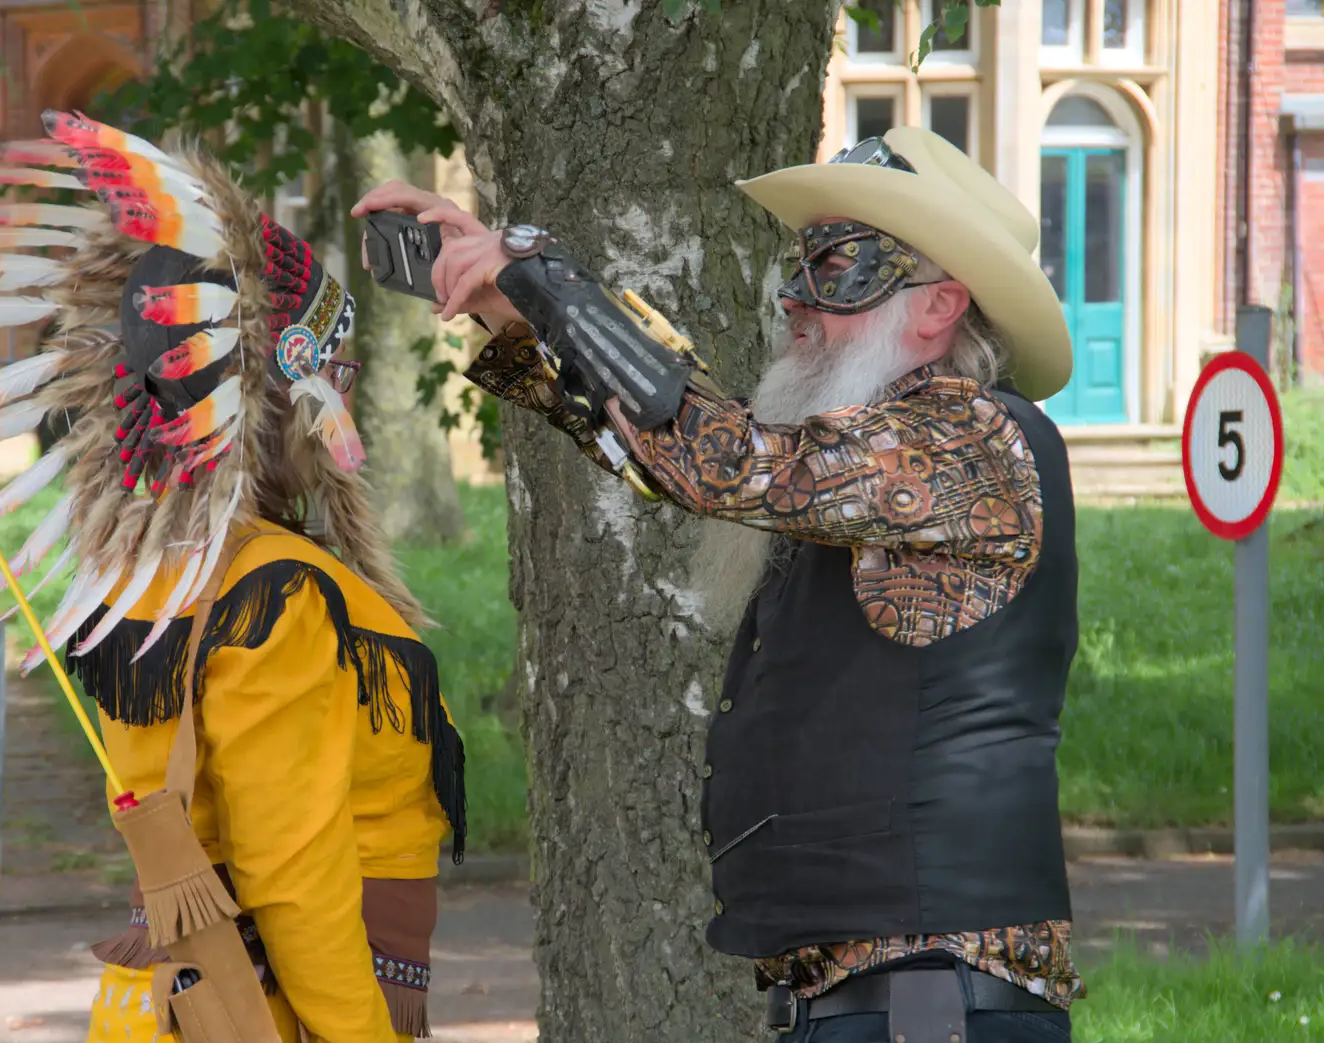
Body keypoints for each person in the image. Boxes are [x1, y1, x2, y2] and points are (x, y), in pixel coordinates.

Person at [355, 127, 1084, 1042]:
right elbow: (682, 446)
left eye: (839, 269)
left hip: (931, 1004)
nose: (796, 298)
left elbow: (720, 458)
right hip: (881, 1002)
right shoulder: (871, 461)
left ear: (941, 306)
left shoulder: (971, 437)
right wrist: (516, 312)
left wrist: (540, 272)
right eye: (800, 265)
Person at [0, 111, 466, 1043]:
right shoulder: (274, 594)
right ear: (284, 393)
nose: (354, 379)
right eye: (337, 363)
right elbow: (291, 874)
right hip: (267, 1014)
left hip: (172, 1009)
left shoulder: (151, 574)